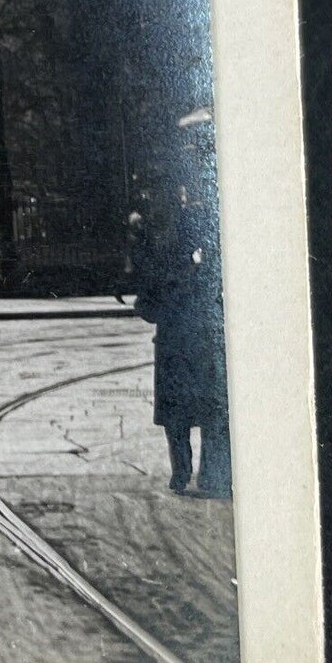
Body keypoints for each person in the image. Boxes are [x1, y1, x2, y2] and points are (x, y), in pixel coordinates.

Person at [133, 190, 231, 498]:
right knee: (212, 415)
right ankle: (209, 476)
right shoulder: (215, 262)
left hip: (175, 347)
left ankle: (182, 473)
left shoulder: (165, 261)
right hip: (204, 346)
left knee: (179, 416)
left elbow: (145, 306)